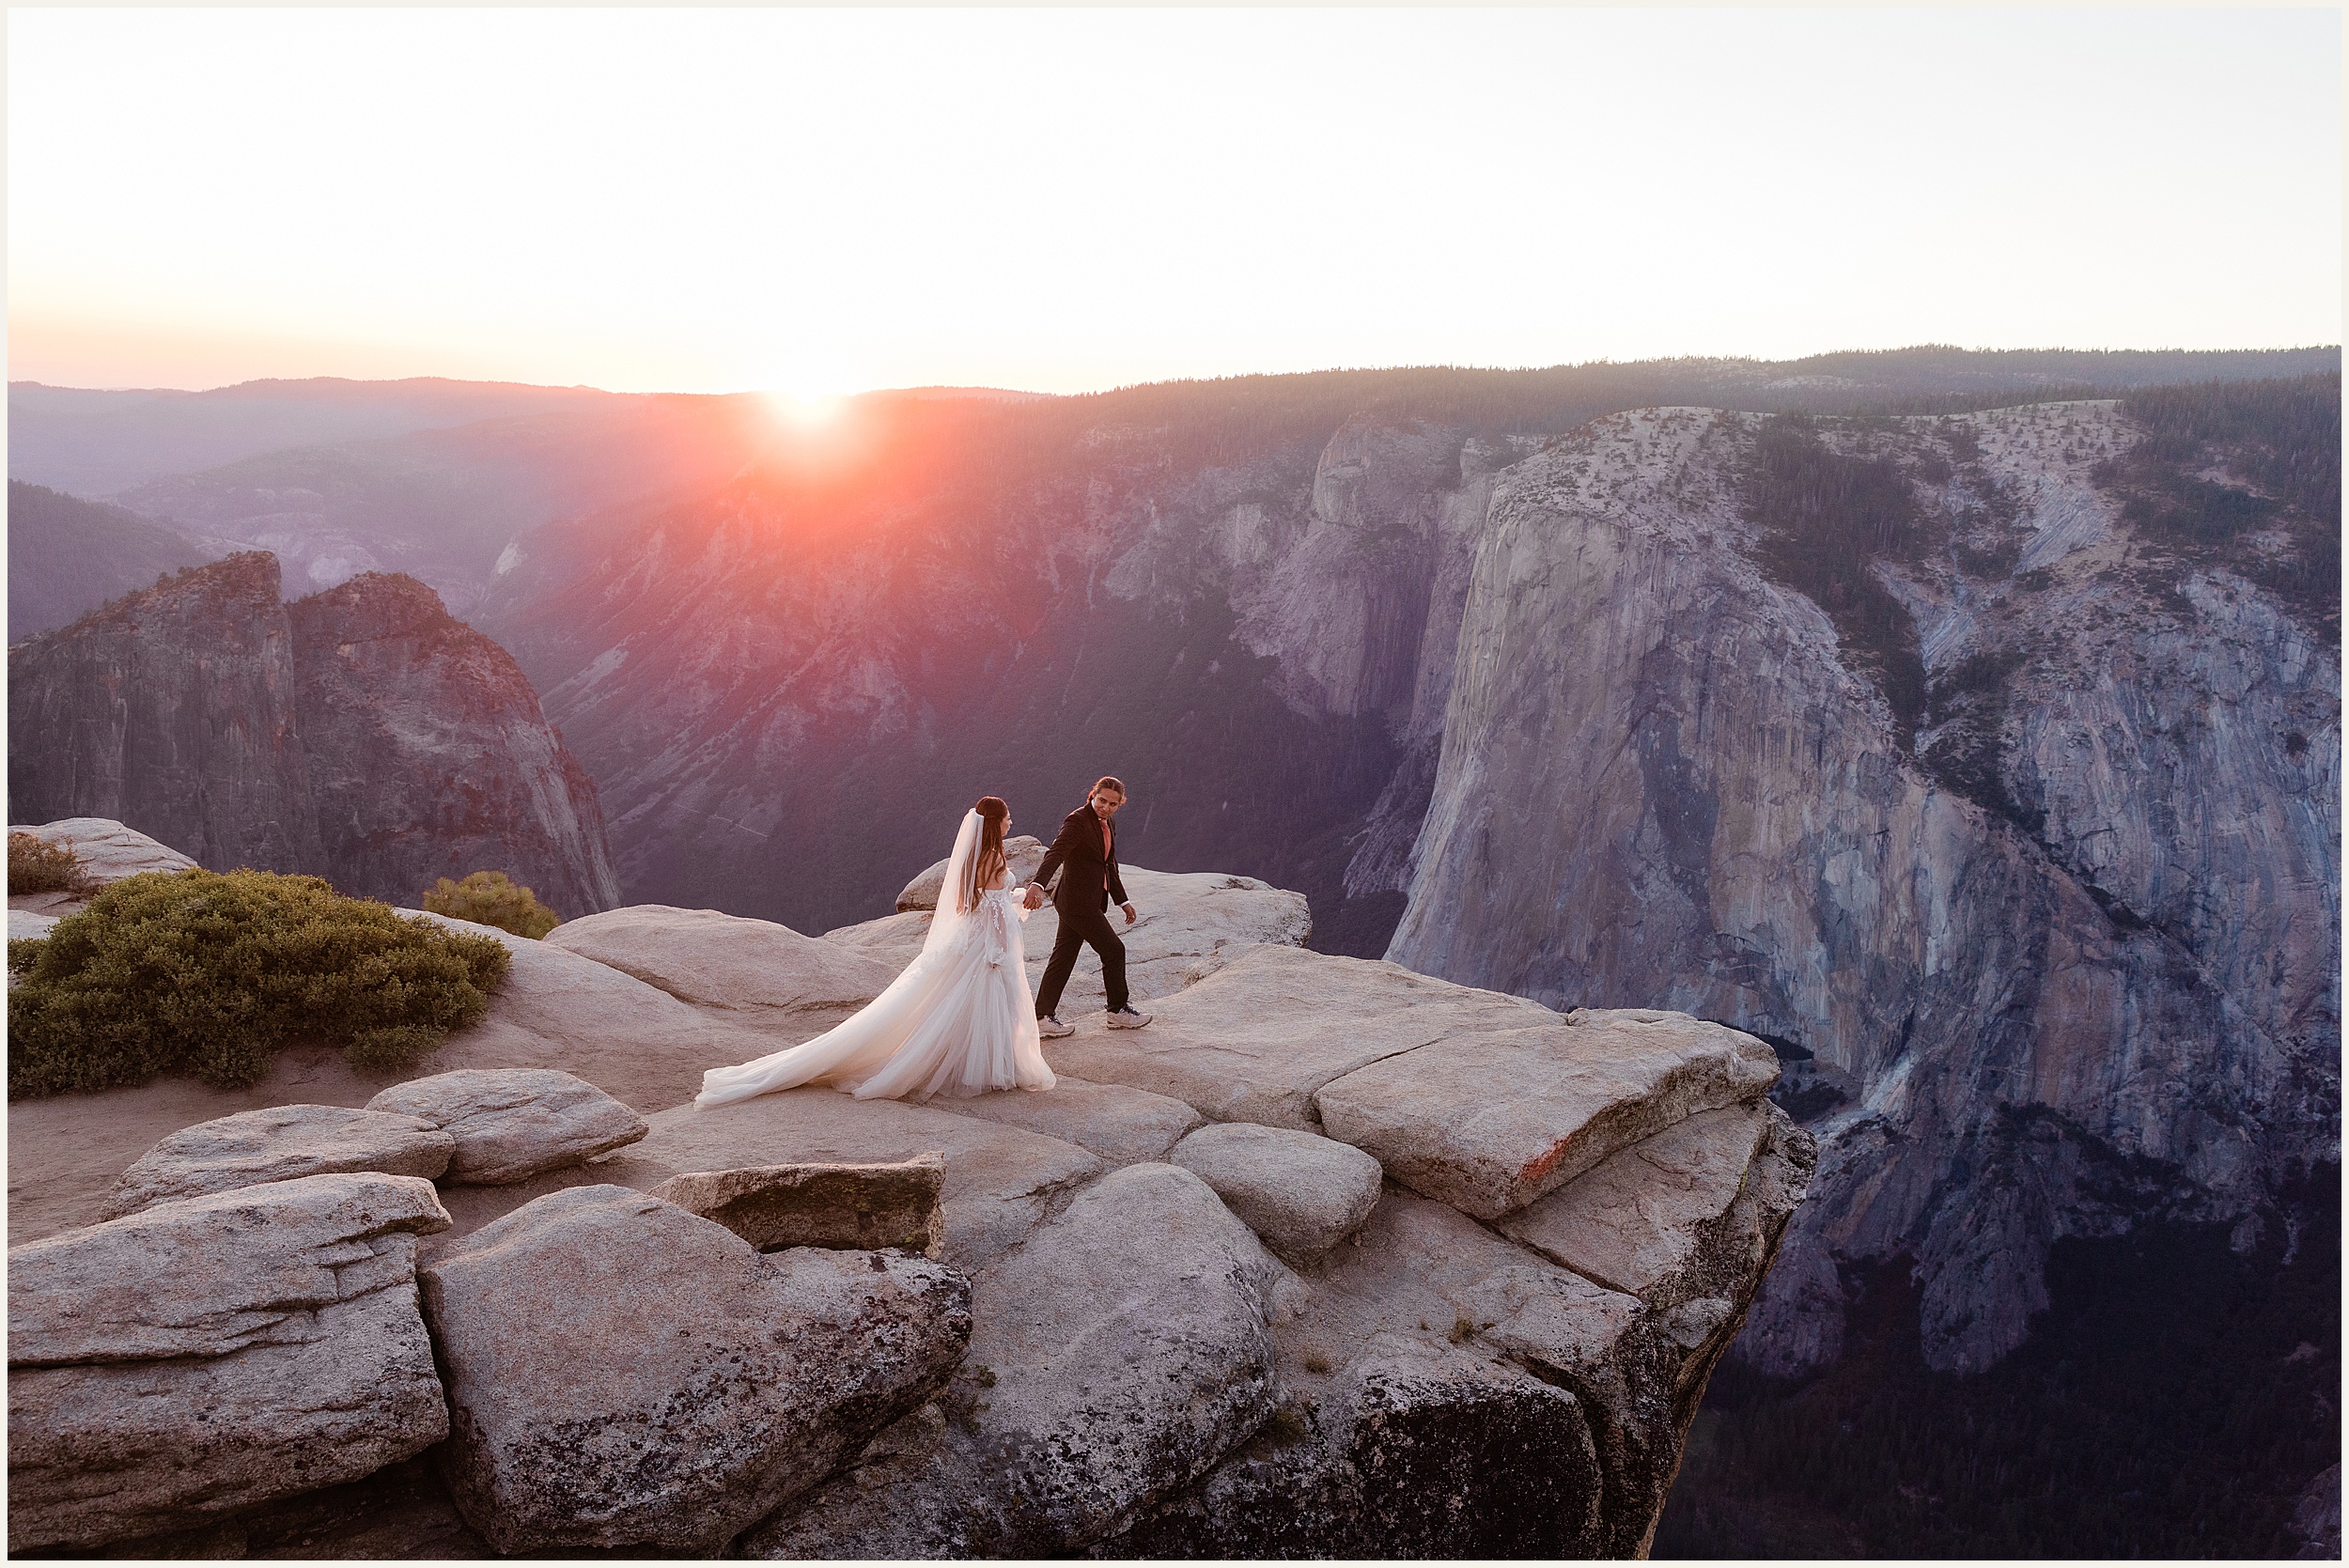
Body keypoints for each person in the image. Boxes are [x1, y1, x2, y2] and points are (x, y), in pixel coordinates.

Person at [694, 796, 1053, 1107]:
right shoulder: (992, 858)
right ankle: (986, 1068)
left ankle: (974, 1064)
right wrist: (1000, 950)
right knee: (985, 1002)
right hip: (985, 945)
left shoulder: (977, 859)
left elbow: (983, 902)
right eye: (1008, 817)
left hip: (971, 940)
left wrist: (1015, 898)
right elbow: (993, 911)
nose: (1011, 822)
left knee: (958, 1006)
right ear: (996, 822)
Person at [1025, 775, 1151, 1037]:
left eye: (1113, 804)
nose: (1105, 807)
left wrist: (1123, 901)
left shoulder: (1108, 823)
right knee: (1114, 950)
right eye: (1102, 800)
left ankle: (1041, 1018)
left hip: (1081, 901)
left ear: (1120, 805)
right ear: (1093, 795)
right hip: (1077, 903)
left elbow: (1109, 865)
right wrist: (1038, 884)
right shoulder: (1078, 821)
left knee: (1063, 958)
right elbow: (1056, 853)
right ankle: (1117, 1012)